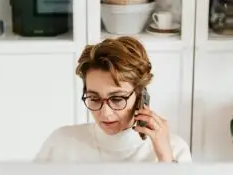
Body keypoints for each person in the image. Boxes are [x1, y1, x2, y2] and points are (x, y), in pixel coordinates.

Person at [34, 36, 192, 163]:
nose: (105, 113)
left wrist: (166, 159)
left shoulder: (174, 149)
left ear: (141, 96)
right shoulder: (61, 143)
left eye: (117, 99)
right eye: (94, 98)